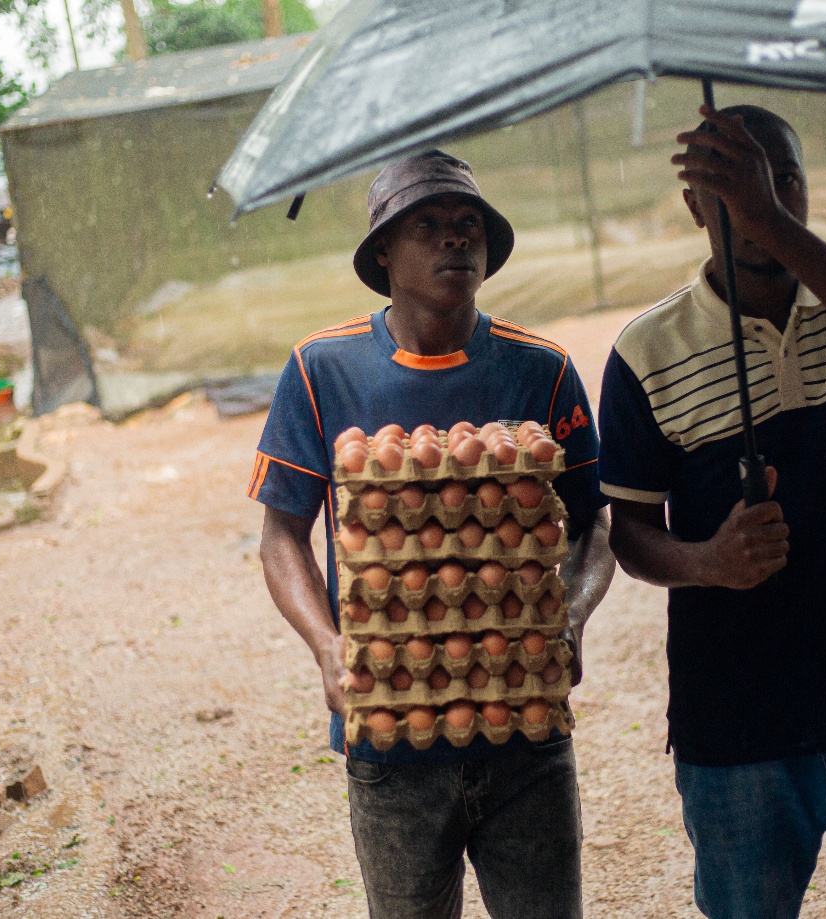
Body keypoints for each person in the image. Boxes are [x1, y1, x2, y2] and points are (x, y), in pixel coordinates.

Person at [598, 104, 826, 918]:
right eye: (730, 189)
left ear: (803, 189)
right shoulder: (645, 352)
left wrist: (769, 220)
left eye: (783, 179)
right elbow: (627, 530)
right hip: (738, 732)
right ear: (696, 204)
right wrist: (707, 561)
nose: (760, 200)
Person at [250, 150, 615, 919]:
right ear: (383, 251)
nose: (456, 241)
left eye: (468, 226)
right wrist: (325, 644)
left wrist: (572, 614)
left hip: (524, 729)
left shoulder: (539, 368)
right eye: (430, 227)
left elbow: (596, 522)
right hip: (387, 737)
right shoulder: (322, 368)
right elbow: (281, 531)